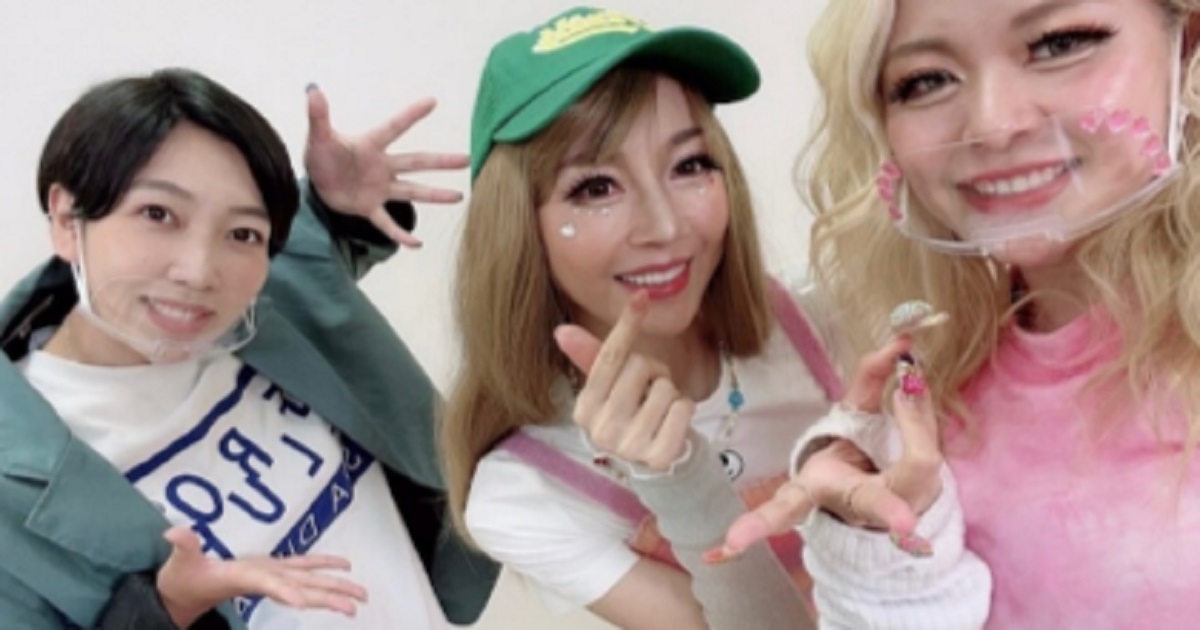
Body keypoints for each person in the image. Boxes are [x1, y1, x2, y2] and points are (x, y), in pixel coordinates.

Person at [721, 0, 1200, 627]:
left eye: (1059, 44)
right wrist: (875, 554)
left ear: (1187, 46)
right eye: (926, 80)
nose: (994, 125)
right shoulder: (926, 391)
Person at [0, 68, 498, 629]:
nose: (198, 272)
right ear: (68, 219)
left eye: (242, 234)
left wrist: (340, 208)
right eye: (158, 215)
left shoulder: (260, 301)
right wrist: (166, 611)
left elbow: (313, 252)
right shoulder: (14, 481)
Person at [439, 6, 849, 629]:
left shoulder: (825, 318)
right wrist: (683, 490)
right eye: (596, 188)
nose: (664, 226)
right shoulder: (526, 492)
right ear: (518, 228)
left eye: (689, 166)